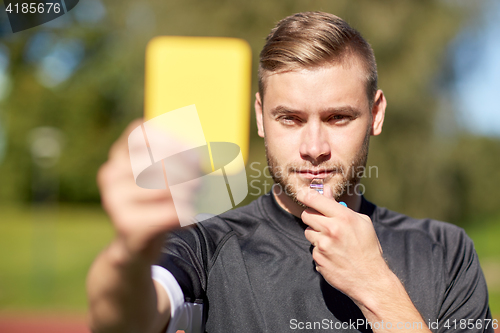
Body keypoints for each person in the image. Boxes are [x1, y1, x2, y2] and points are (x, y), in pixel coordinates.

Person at [87, 11, 494, 333]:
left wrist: (377, 288)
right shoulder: (204, 244)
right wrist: (131, 253)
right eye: (290, 119)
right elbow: (125, 321)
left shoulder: (447, 250)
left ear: (376, 113)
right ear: (261, 119)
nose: (313, 148)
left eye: (337, 117)